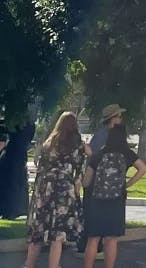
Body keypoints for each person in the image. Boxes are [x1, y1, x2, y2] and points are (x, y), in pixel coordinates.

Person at [25, 112, 88, 268]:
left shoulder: (50, 142)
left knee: (38, 230)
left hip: (45, 189)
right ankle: (54, 266)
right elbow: (79, 170)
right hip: (64, 190)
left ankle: (28, 264)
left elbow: (40, 165)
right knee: (58, 235)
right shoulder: (77, 144)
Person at [81, 122, 146, 268]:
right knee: (111, 240)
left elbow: (86, 182)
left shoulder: (99, 154)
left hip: (97, 200)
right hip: (117, 200)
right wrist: (127, 184)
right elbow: (142, 168)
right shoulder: (127, 153)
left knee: (93, 239)